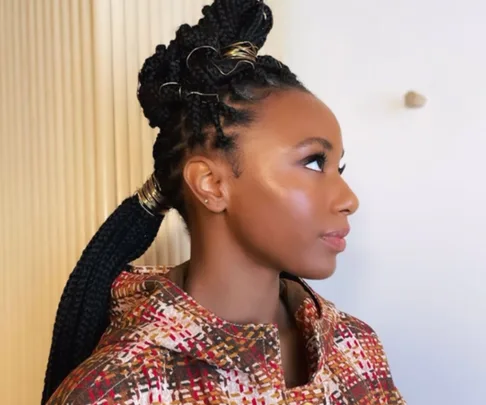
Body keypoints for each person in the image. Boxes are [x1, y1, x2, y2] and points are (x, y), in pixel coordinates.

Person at [42, 0, 406, 404]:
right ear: (212, 184)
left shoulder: (356, 347)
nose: (349, 199)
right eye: (314, 162)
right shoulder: (118, 391)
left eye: (340, 167)